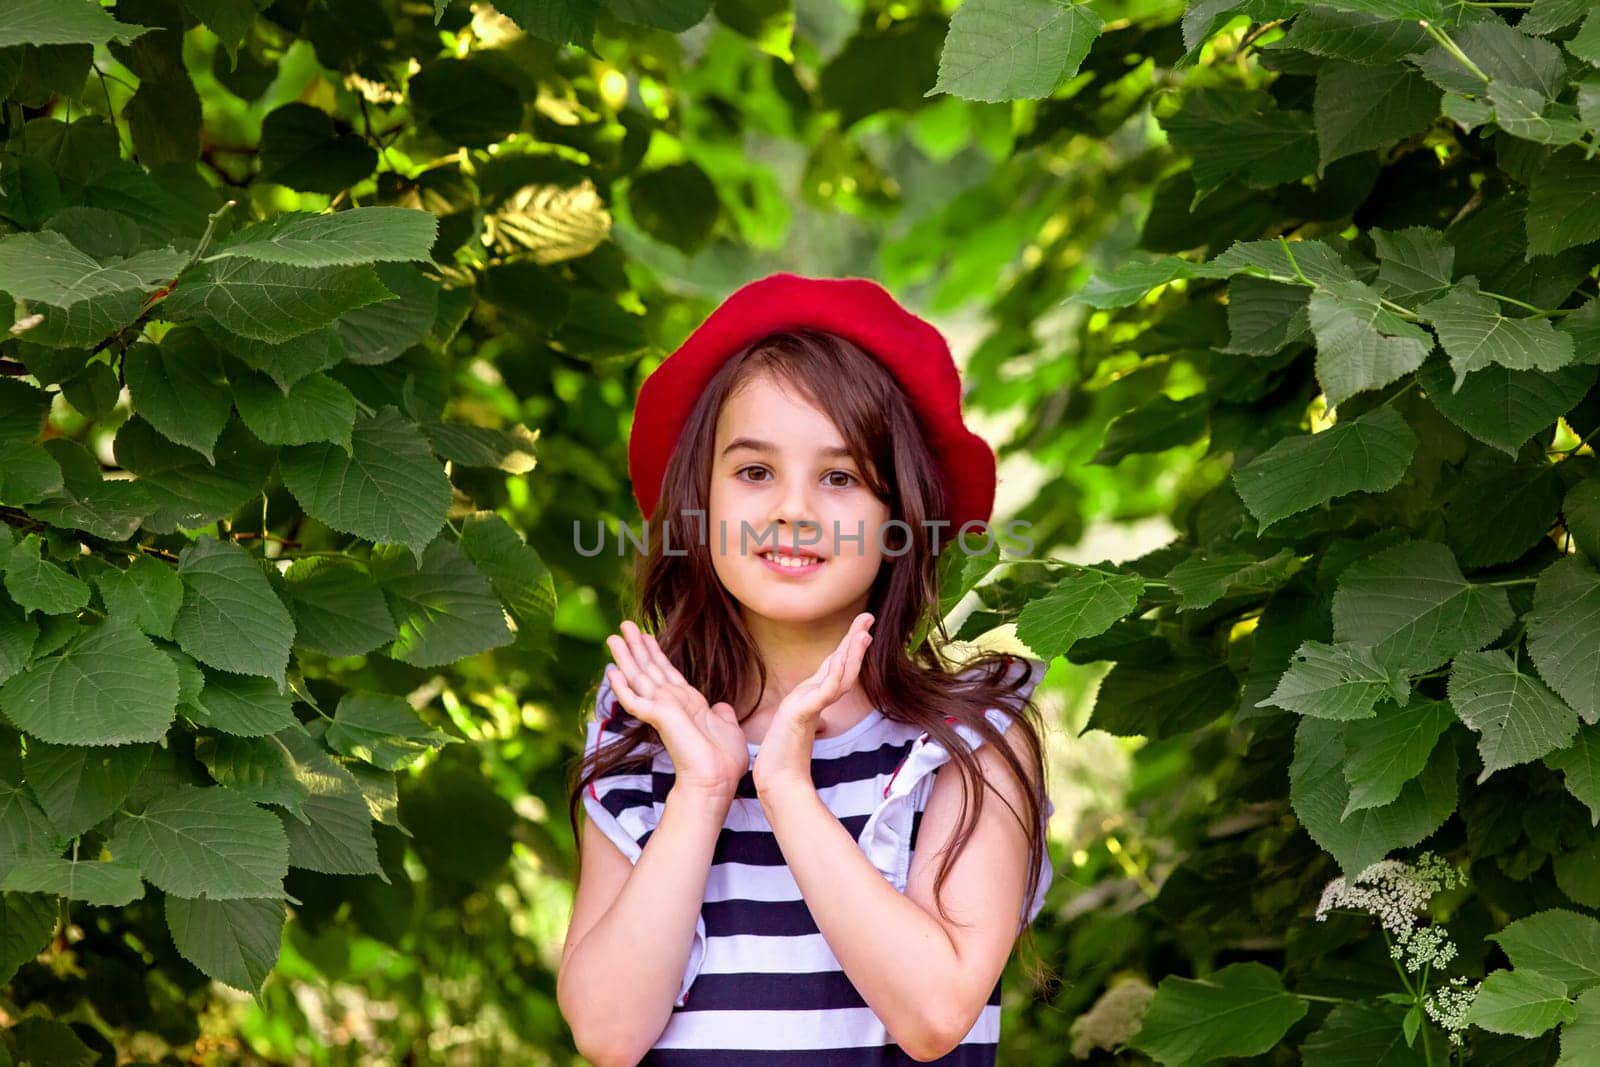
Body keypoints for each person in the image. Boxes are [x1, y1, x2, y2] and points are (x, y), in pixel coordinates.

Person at [557, 273, 1055, 1065]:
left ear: (900, 518)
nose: (793, 509)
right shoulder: (644, 730)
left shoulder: (970, 738)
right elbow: (608, 1033)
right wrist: (705, 788)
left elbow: (933, 1014)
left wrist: (787, 788)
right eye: (755, 472)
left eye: (841, 476)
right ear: (700, 502)